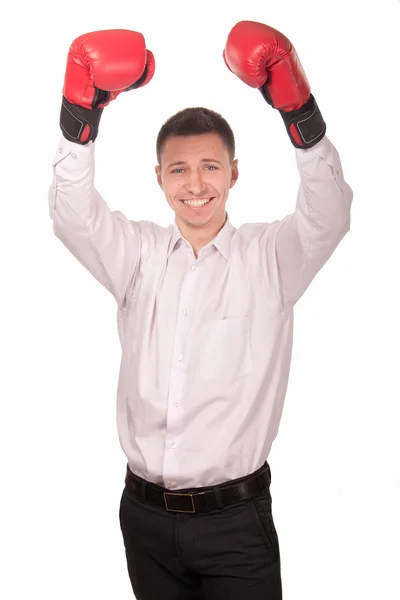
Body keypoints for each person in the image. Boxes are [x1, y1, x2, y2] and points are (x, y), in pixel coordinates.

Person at [48, 21, 353, 600]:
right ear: (159, 179)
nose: (196, 184)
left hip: (234, 523)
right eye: (180, 170)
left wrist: (298, 110)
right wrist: (79, 115)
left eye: (210, 167)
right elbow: (71, 214)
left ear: (233, 174)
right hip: (142, 517)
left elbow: (330, 213)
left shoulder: (271, 258)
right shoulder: (135, 255)